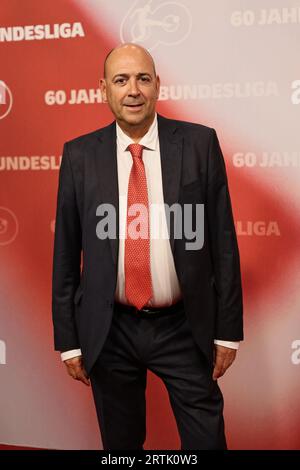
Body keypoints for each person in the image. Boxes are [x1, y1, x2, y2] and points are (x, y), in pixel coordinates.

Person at [52, 43, 243, 450]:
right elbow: (66, 257)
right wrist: (69, 340)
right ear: (104, 89)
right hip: (110, 329)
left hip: (184, 325)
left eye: (142, 78)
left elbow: (223, 244)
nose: (133, 90)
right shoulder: (79, 156)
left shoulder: (199, 144)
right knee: (121, 448)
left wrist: (227, 333)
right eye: (121, 80)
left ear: (157, 84)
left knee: (207, 442)